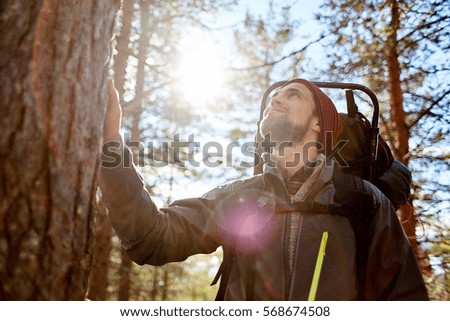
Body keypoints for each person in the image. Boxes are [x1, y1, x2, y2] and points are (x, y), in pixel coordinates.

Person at [99, 78, 429, 300]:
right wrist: (111, 143)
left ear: (319, 123)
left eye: (293, 95)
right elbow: (151, 238)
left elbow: (406, 300)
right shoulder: (238, 197)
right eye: (275, 96)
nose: (277, 99)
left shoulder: (363, 201)